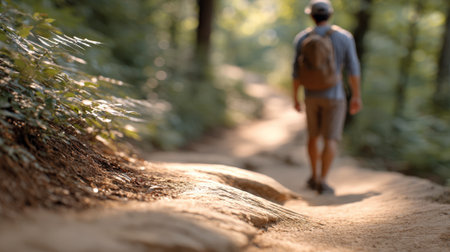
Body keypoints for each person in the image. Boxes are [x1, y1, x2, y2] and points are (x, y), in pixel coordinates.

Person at [292, 0, 362, 194]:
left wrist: (295, 98)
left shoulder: (302, 37)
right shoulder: (344, 37)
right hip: (336, 95)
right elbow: (353, 70)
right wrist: (356, 96)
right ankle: (323, 180)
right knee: (331, 138)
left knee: (313, 136)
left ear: (311, 15)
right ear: (330, 15)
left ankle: (313, 176)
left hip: (311, 95)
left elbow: (296, 72)